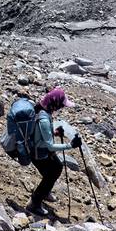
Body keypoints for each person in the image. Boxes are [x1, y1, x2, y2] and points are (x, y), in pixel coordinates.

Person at [27, 87, 82, 216]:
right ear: (54, 104)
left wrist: (54, 132)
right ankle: (34, 203)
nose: (61, 108)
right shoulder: (44, 119)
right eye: (61, 106)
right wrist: (70, 145)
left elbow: (41, 134)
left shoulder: (43, 112)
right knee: (50, 175)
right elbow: (50, 146)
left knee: (57, 167)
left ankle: (45, 193)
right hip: (38, 153)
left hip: (40, 149)